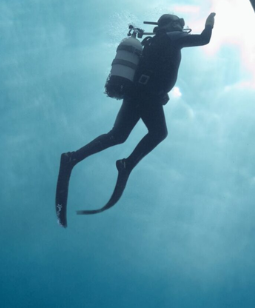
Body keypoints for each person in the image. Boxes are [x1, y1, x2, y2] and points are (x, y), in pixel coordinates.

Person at [55, 12, 215, 227]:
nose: (182, 26)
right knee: (159, 133)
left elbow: (154, 69)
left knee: (117, 136)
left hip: (136, 94)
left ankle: (72, 158)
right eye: (179, 23)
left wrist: (161, 92)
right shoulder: (172, 37)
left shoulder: (151, 42)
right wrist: (209, 24)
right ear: (171, 24)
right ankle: (126, 164)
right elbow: (204, 39)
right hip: (146, 96)